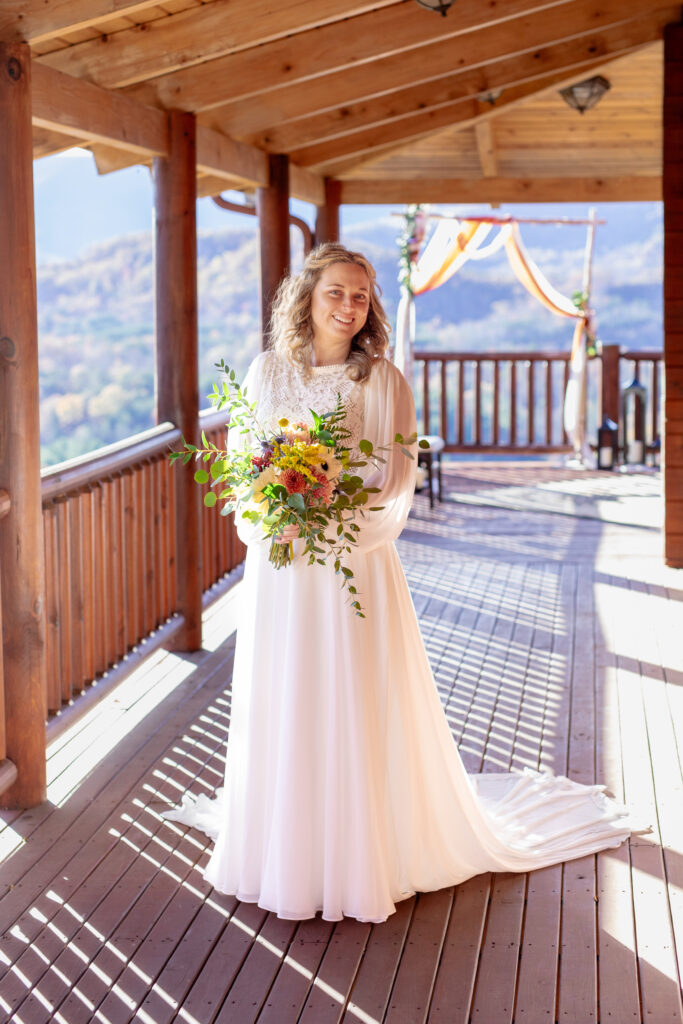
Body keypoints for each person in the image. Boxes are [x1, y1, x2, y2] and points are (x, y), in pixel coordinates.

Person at [165, 242, 645, 924]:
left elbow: (392, 480)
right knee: (287, 688)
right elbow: (246, 466)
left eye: (359, 296)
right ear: (305, 296)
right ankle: (286, 843)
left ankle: (362, 847)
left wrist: (324, 503)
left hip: (349, 560)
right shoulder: (267, 371)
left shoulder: (383, 380)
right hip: (283, 567)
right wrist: (274, 510)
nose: (347, 306)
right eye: (335, 292)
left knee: (353, 691)